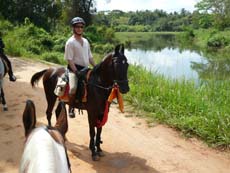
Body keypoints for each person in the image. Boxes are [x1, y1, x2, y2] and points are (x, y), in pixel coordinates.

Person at [64, 17, 95, 118]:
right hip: (74, 69)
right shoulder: (70, 42)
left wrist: (96, 67)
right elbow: (69, 59)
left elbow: (90, 57)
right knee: (73, 88)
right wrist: (76, 71)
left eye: (81, 27)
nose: (79, 28)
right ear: (73, 28)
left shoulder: (86, 41)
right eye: (77, 26)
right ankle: (71, 108)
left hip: (85, 69)